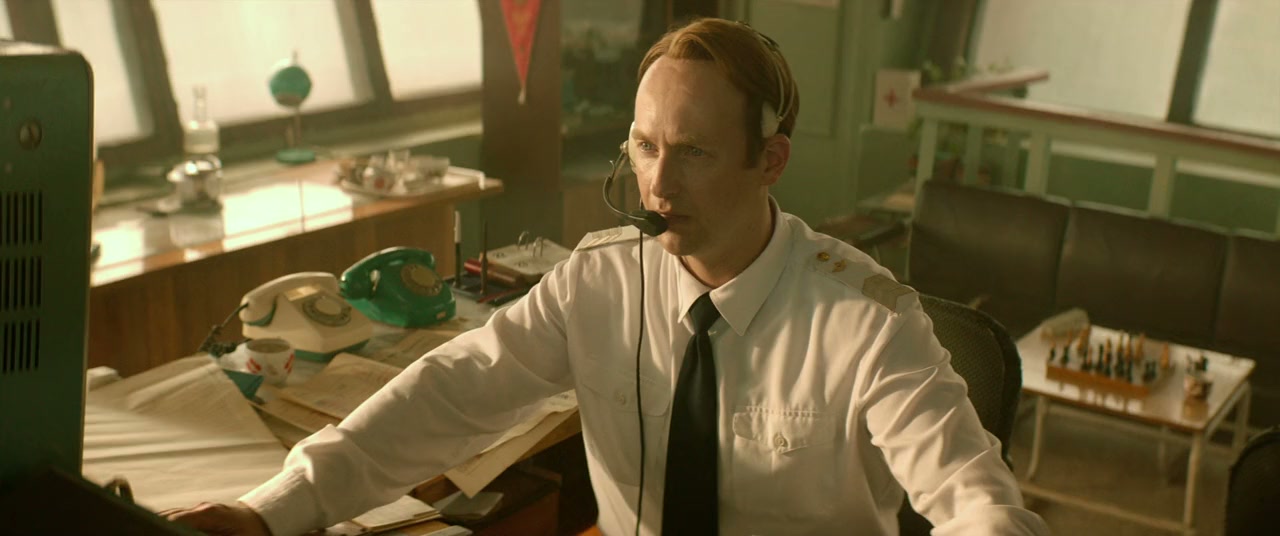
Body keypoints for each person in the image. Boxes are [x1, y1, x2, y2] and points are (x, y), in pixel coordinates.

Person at [168, 17, 1049, 536]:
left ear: (771, 161)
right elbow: (445, 397)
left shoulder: (866, 320)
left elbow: (974, 499)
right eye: (645, 146)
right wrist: (272, 510)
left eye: (694, 153)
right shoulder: (599, 282)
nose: (657, 186)